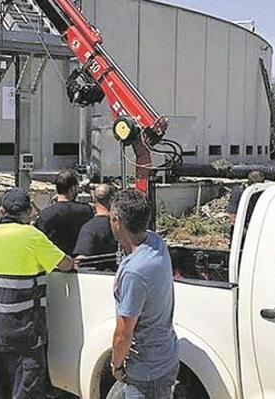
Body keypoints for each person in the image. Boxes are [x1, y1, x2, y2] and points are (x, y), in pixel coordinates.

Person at [0, 188, 76, 399]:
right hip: (23, 331)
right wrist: (72, 261)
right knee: (26, 389)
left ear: (2, 210)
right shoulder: (31, 236)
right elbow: (65, 264)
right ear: (26, 212)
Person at [108, 190, 179, 399]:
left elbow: (123, 333)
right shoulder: (156, 242)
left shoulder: (135, 272)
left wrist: (117, 365)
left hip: (148, 371)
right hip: (164, 356)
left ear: (116, 220)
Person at [36, 169, 94, 254]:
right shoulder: (86, 210)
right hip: (80, 261)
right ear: (72, 189)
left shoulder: (45, 214)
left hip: (55, 262)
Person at [73, 183, 118, 258]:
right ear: (113, 200)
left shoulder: (89, 228)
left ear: (94, 199)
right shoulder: (122, 224)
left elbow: (81, 260)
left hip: (97, 269)